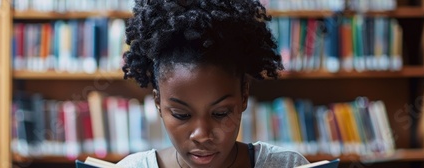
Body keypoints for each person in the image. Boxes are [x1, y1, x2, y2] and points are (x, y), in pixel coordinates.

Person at [117, 0, 310, 167]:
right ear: (158, 103)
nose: (202, 135)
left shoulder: (287, 165)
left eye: (220, 113)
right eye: (181, 115)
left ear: (244, 97)